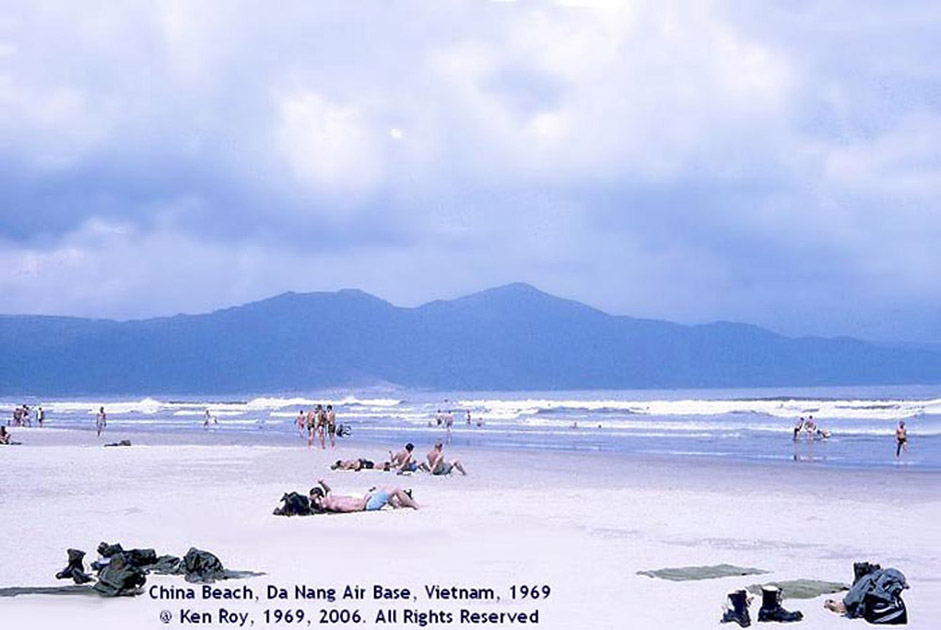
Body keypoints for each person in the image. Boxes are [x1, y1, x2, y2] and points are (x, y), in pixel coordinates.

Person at [308, 479, 418, 513]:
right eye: (318, 501)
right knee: (396, 489)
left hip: (367, 500)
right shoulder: (337, 505)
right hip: (369, 504)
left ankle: (399, 506)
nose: (320, 500)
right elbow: (359, 508)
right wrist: (366, 498)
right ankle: (415, 506)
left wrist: (321, 483)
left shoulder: (329, 499)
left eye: (319, 498)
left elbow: (328, 490)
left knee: (384, 488)